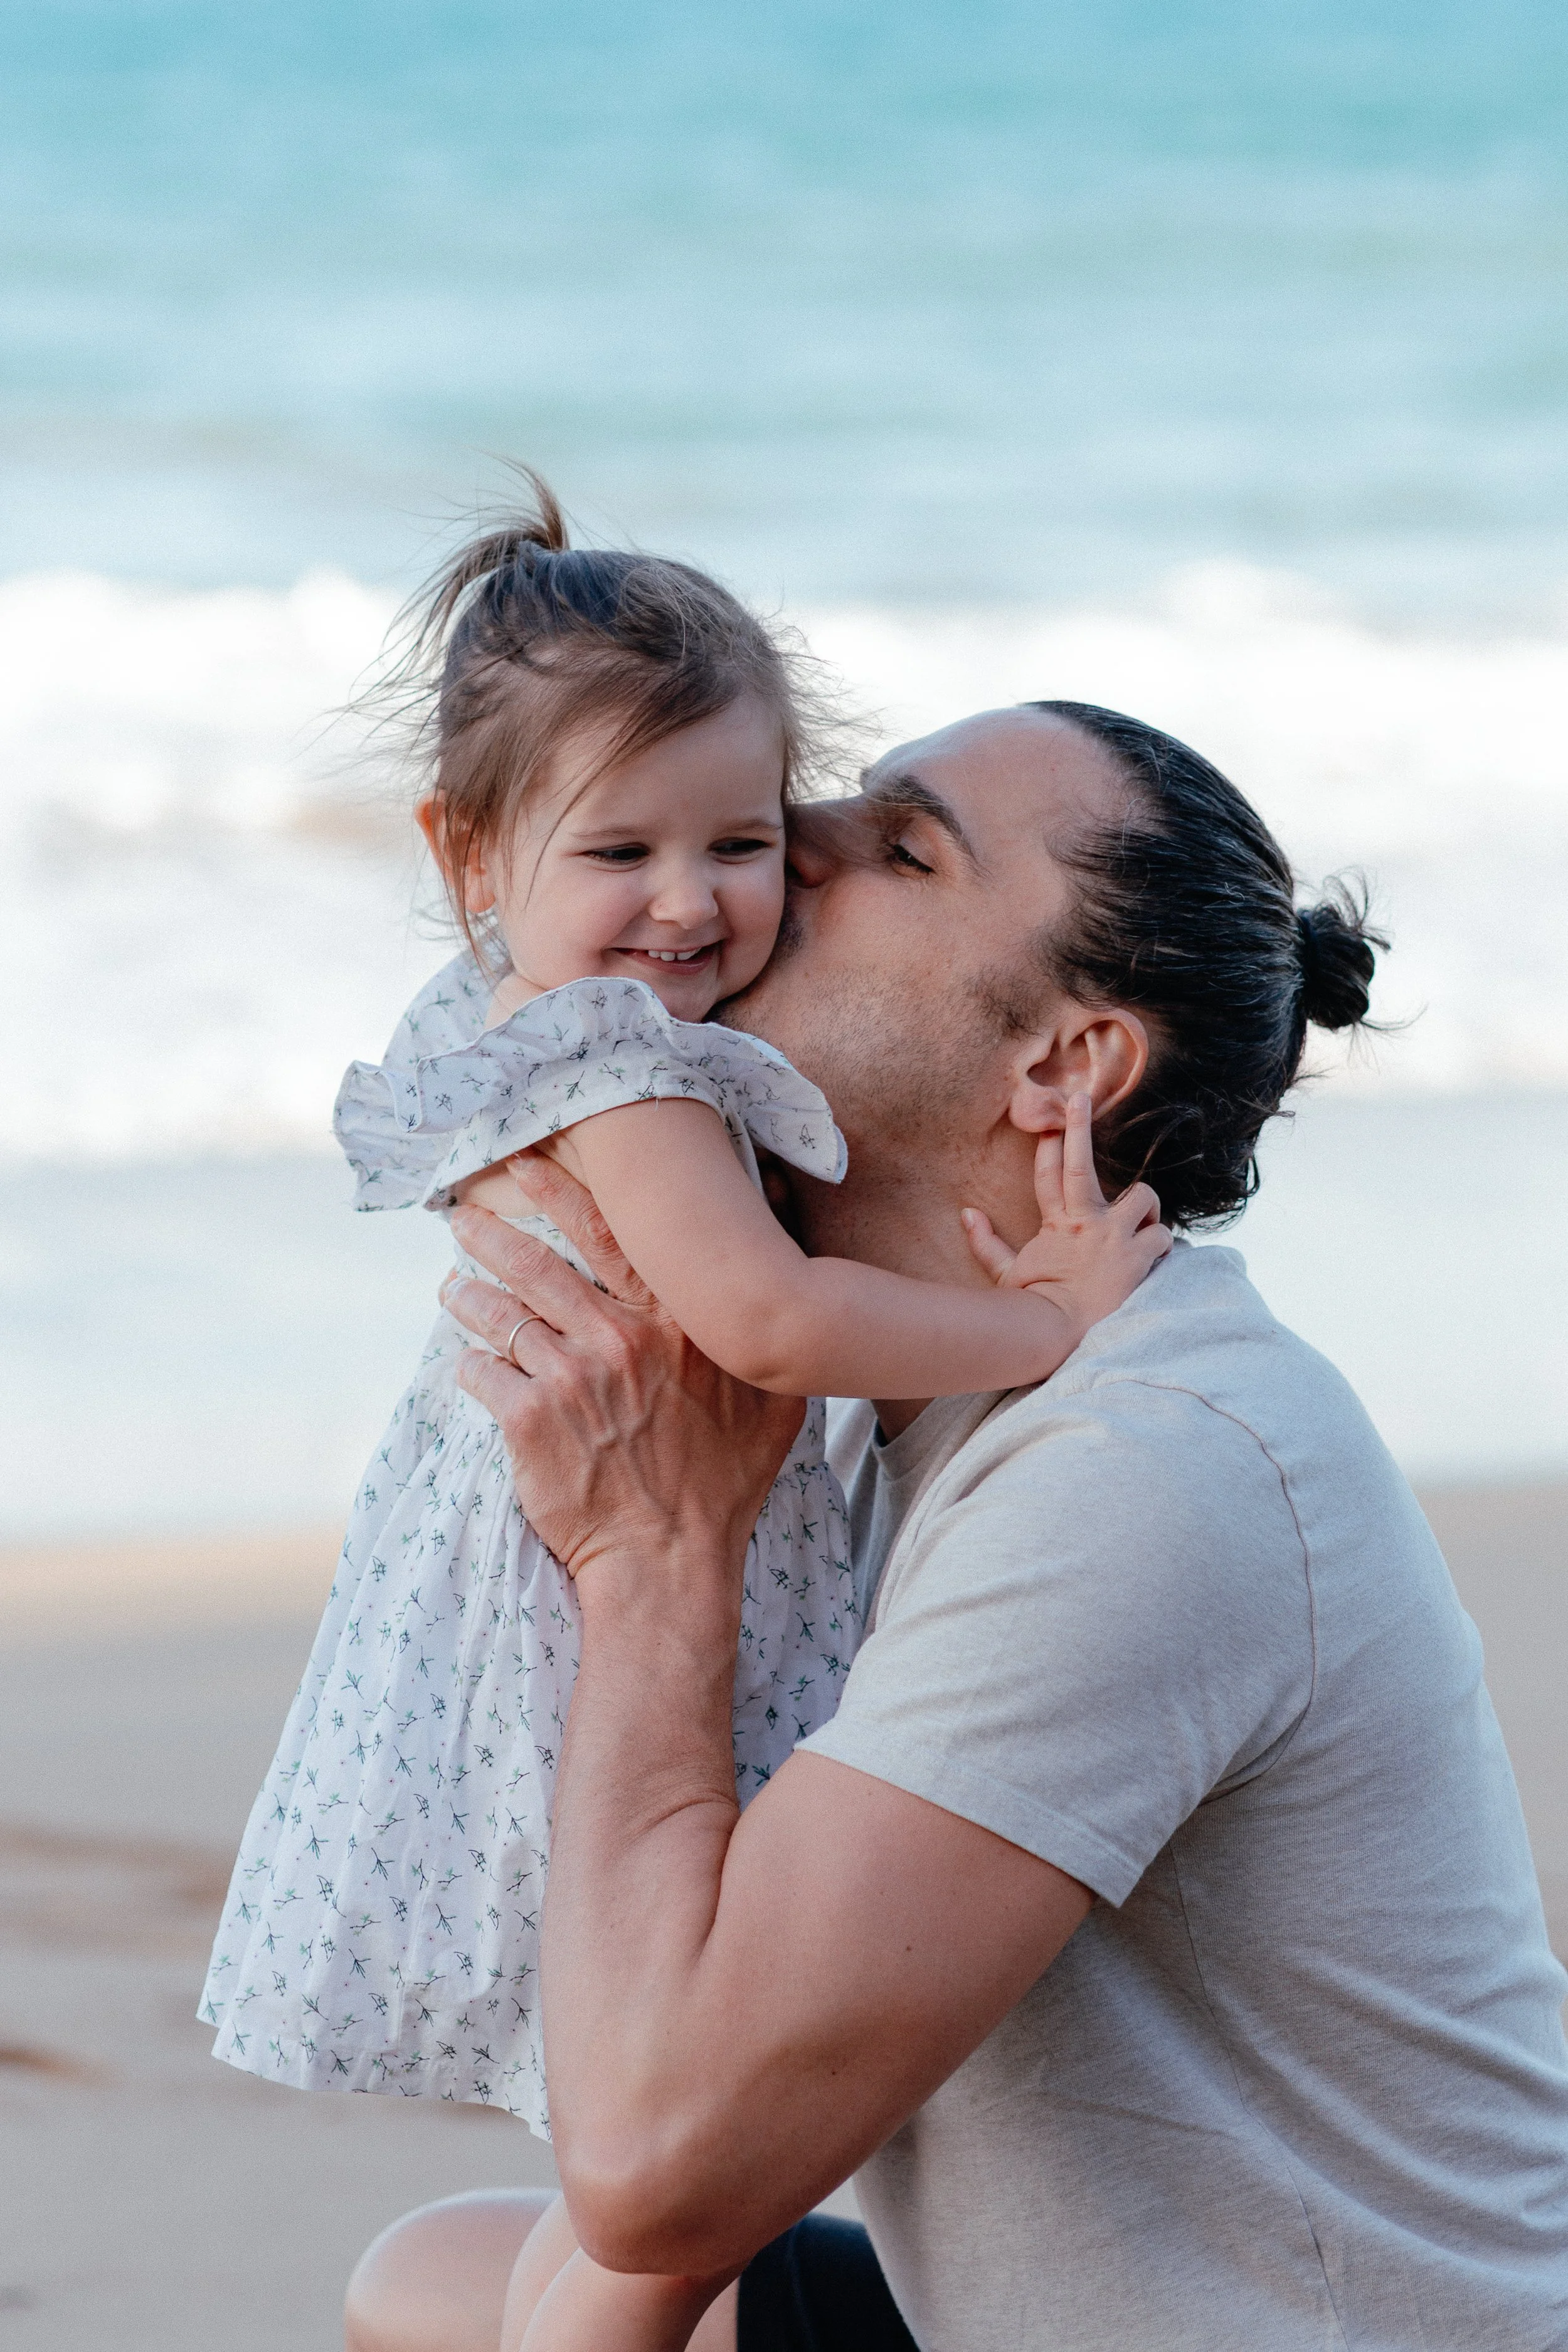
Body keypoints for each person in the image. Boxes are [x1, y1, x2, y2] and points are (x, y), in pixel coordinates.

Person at [347, 699, 1568, 2352]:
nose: (800, 834)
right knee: (436, 2286)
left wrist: (652, 1561)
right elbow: (666, 2195)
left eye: (902, 845)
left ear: (1064, 1064)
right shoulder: (878, 1404)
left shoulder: (1150, 1464)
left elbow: (652, 2161)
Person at [199, 486, 1168, 2352]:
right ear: (466, 851)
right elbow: (760, 1312)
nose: (687, 902)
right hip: (589, 1611)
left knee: (620, 2151)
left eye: (741, 842)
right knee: (663, 2131)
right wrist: (1034, 1321)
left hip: (571, 1573)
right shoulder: (619, 1061)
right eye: (619, 847)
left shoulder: (528, 1004)